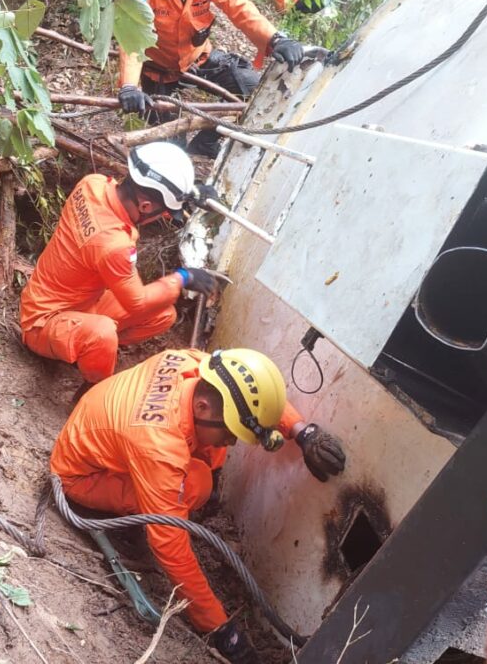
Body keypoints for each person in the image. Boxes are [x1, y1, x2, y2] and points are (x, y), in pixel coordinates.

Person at [50, 347, 345, 663]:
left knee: (209, 454)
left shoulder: (202, 368)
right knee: (196, 485)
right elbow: (170, 545)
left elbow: (251, 393)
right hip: (84, 475)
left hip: (106, 429)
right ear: (202, 407)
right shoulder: (158, 448)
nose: (233, 442)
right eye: (231, 433)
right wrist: (221, 629)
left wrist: (301, 431)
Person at [117, 0, 313, 158]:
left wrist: (275, 39)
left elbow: (239, 7)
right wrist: (129, 86)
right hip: (159, 69)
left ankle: (208, 141)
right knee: (171, 147)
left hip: (198, 58)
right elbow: (131, 33)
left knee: (252, 88)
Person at [20, 142, 223, 384]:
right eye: (165, 212)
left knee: (162, 315)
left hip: (82, 304)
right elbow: (136, 302)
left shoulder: (92, 184)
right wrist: (183, 277)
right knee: (104, 332)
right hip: (43, 322)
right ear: (145, 206)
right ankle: (92, 385)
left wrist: (188, 194)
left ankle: (84, 349)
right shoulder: (113, 245)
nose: (165, 217)